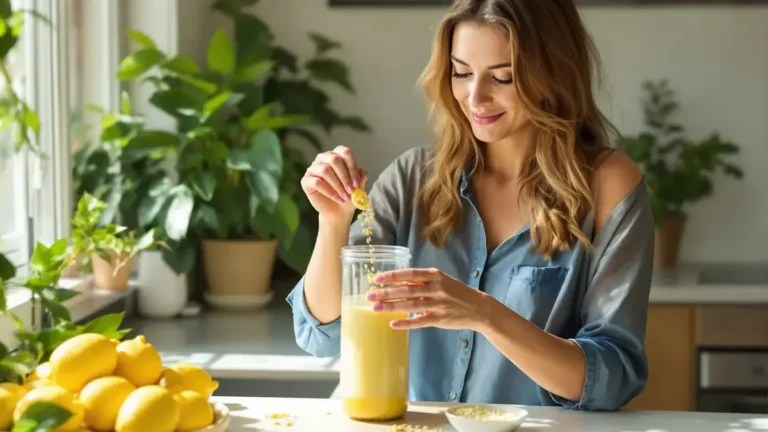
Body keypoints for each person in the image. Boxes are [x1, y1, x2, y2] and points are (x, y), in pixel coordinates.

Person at [286, 0, 654, 412]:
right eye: (461, 73)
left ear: (555, 74)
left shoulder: (607, 186)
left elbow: (612, 377)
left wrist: (485, 313)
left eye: (504, 77)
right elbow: (323, 334)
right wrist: (332, 222)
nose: (475, 96)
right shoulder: (412, 180)